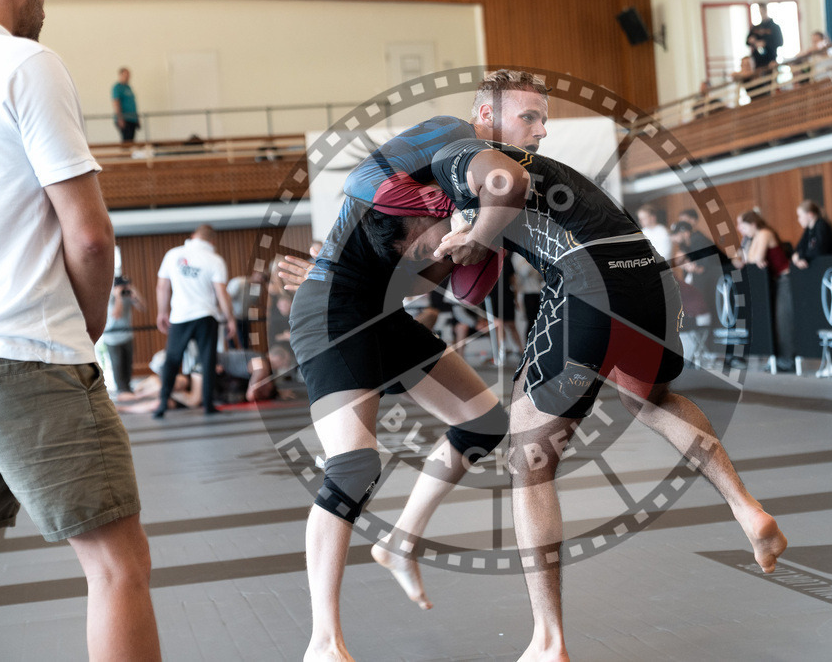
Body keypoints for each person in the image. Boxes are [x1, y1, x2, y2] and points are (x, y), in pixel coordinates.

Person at [364, 139, 787, 661]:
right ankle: (747, 510)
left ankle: (548, 641)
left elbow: (507, 188)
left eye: (417, 242)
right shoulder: (477, 193)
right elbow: (457, 258)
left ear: (416, 204)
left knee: (529, 459)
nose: (428, 251)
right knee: (651, 399)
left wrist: (472, 235)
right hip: (650, 279)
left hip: (591, 279)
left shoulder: (457, 163)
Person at [287, 70, 548, 661]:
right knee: (353, 467)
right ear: (486, 116)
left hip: (382, 311)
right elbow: (506, 185)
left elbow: (450, 285)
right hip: (334, 308)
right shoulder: (457, 140)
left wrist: (462, 246)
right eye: (527, 117)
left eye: (542, 120)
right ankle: (323, 642)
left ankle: (398, 543)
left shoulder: (464, 185)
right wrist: (472, 234)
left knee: (485, 425)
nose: (538, 130)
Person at [0, 0, 160, 659]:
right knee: (119, 565)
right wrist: (82, 331)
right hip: (29, 348)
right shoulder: (27, 63)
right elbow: (88, 237)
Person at [154, 224, 237, 417]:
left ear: (192, 236)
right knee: (207, 360)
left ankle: (162, 404)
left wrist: (162, 312)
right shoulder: (215, 260)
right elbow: (221, 293)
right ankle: (208, 405)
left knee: (172, 360)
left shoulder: (173, 254)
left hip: (180, 316)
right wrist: (230, 319)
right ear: (212, 241)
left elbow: (162, 287)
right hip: (206, 316)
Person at [733, 210, 795, 372]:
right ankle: (780, 358)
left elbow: (755, 258)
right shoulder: (753, 237)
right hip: (775, 282)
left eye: (745, 227)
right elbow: (743, 260)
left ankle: (787, 361)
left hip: (786, 280)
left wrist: (751, 258)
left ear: (753, 224)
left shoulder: (765, 233)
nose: (743, 231)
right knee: (775, 323)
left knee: (783, 322)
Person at [100, 273, 146, 396]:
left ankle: (128, 390)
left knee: (128, 366)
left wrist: (133, 294)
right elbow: (116, 314)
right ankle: (122, 391)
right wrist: (118, 297)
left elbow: (143, 308)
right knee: (118, 367)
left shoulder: (129, 295)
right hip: (112, 338)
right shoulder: (110, 297)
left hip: (128, 335)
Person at [791, 200, 832, 269]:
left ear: (810, 215)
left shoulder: (821, 226)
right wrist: (798, 259)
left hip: (827, 266)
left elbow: (818, 250)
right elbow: (799, 248)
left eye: (800, 216)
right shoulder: (808, 230)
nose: (798, 220)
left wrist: (800, 256)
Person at [746, 3, 783, 70]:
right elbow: (747, 42)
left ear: (766, 10)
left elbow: (780, 42)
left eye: (763, 11)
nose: (761, 13)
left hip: (771, 60)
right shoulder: (755, 28)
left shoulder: (774, 27)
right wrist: (753, 41)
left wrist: (765, 43)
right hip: (758, 62)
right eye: (760, 11)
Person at [111, 66, 140, 142]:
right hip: (124, 119)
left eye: (128, 75)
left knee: (131, 141)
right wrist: (120, 118)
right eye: (125, 75)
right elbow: (116, 103)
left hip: (132, 118)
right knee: (126, 141)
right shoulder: (117, 87)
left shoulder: (128, 87)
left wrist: (137, 118)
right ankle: (125, 154)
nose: (127, 77)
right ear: (120, 75)